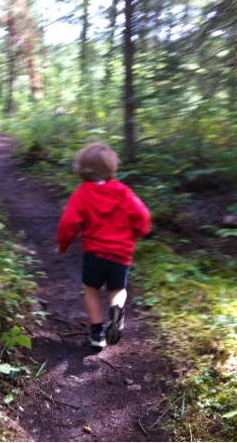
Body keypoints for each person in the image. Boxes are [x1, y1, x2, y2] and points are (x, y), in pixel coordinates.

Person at [55, 143, 151, 348]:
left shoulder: (81, 194)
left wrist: (64, 244)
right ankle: (116, 309)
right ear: (111, 167)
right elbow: (142, 216)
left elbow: (68, 223)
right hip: (121, 253)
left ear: (82, 169)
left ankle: (97, 333)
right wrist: (137, 233)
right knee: (118, 288)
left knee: (91, 289)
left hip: (95, 254)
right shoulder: (123, 192)